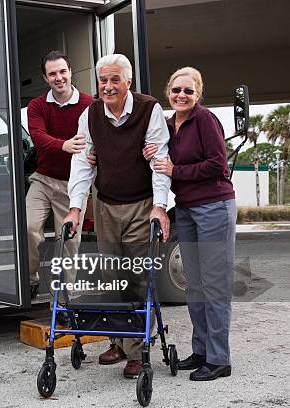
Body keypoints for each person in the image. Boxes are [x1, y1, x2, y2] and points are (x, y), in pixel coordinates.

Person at [63, 54, 171, 379]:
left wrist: (160, 206)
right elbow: (82, 163)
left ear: (128, 82)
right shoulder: (91, 114)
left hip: (141, 203)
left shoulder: (149, 109)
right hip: (107, 203)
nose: (107, 87)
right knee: (111, 276)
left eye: (114, 80)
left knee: (138, 277)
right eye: (102, 81)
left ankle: (137, 349)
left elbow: (160, 159)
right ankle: (118, 343)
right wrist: (75, 208)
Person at [143, 67, 236, 381]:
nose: (181, 96)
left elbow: (217, 165)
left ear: (198, 94)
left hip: (214, 207)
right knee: (194, 285)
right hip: (185, 209)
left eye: (188, 91)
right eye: (176, 90)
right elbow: (164, 161)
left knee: (214, 285)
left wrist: (174, 170)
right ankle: (201, 351)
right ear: (168, 91)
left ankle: (219, 359)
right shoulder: (168, 125)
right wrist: (152, 155)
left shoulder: (205, 120)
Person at [26, 50, 94, 299]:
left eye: (62, 71)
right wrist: (63, 145)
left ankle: (67, 298)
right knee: (29, 228)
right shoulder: (37, 106)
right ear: (45, 78)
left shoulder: (89, 104)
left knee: (69, 243)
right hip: (42, 180)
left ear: (70, 72)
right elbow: (38, 136)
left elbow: (100, 137)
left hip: (73, 185)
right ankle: (31, 280)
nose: (59, 77)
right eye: (52, 73)